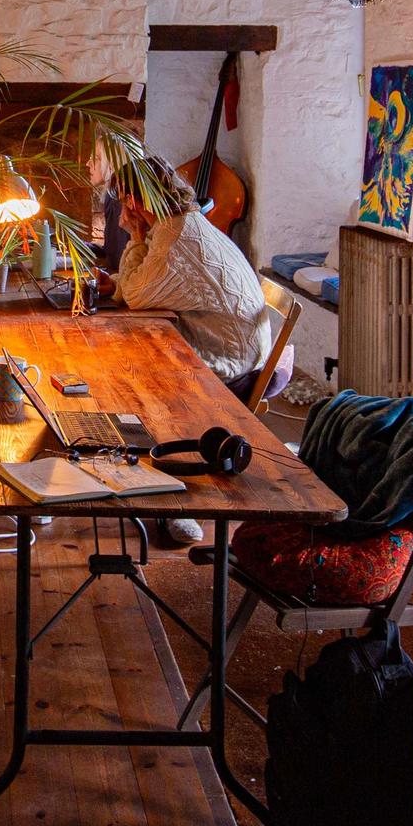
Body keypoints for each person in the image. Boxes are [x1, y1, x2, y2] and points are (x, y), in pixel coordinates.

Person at [103, 159, 273, 548]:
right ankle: (139, 468)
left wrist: (133, 235)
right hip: (229, 339)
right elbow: (144, 282)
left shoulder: (176, 236)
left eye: (126, 198)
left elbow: (137, 293)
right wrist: (118, 278)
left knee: (133, 369)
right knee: (129, 350)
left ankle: (174, 499)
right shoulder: (178, 224)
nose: (124, 206)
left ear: (137, 197)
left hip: (228, 355)